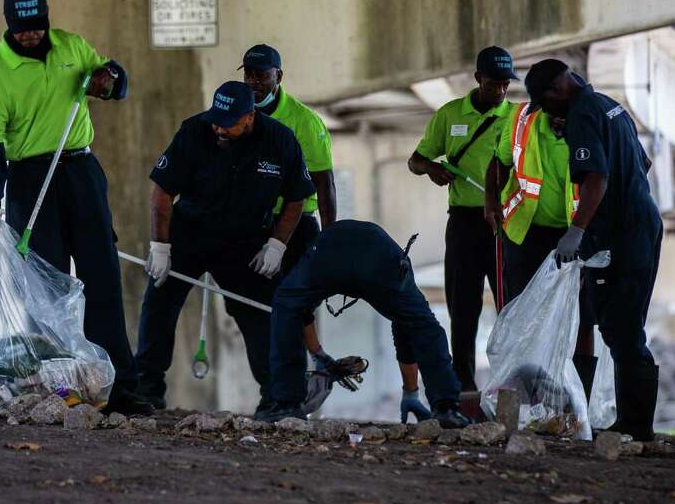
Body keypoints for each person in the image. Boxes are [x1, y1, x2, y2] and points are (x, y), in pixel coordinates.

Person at [0, 0, 152, 416]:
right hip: (32, 180)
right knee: (46, 290)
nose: (30, 35)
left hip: (81, 172)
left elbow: (113, 80)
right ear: (8, 26)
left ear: (46, 20)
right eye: (21, 29)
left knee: (102, 277)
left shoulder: (71, 46)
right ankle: (57, 390)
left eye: (36, 26)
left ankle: (120, 389)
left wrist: (109, 82)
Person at [242, 43, 427, 421]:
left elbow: (323, 185)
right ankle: (288, 386)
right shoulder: (240, 115)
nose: (254, 81)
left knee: (292, 306)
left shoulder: (304, 121)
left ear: (280, 76)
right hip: (256, 224)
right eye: (248, 74)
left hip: (296, 226)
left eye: (262, 75)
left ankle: (289, 398)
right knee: (264, 313)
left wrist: (329, 243)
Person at [137, 81, 314, 413]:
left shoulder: (280, 140)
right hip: (189, 232)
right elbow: (162, 193)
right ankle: (146, 389)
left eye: (228, 122)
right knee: (159, 302)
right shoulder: (194, 131)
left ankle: (277, 397)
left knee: (260, 312)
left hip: (245, 241)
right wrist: (160, 247)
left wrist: (276, 245)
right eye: (216, 119)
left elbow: (296, 198)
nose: (219, 127)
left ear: (249, 116)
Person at [525, 58, 663, 441]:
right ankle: (632, 423)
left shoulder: (583, 114)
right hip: (638, 222)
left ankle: (637, 426)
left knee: (622, 327)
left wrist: (577, 230)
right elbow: (643, 162)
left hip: (625, 232)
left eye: (544, 103)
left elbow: (596, 178)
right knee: (620, 323)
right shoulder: (608, 104)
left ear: (555, 92)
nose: (547, 112)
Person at [260, 219, 472, 427]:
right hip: (377, 256)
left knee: (286, 305)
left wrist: (319, 355)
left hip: (329, 253)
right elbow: (408, 332)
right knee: (422, 324)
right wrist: (410, 393)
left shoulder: (313, 258)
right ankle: (446, 407)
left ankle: (287, 405)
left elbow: (298, 311)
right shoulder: (394, 261)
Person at [408, 46, 517, 392]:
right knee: (463, 309)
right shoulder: (450, 115)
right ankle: (464, 386)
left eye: (505, 84)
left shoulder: (519, 118)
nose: (500, 91)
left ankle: (513, 381)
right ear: (477, 79)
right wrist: (432, 169)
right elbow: (416, 160)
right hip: (465, 224)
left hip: (505, 224)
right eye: (493, 83)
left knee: (511, 307)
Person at [483, 77, 597, 399]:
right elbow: (499, 162)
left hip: (575, 233)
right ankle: (520, 398)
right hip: (524, 231)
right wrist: (491, 198)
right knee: (518, 314)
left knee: (580, 316)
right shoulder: (520, 120)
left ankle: (578, 402)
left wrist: (582, 231)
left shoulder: (590, 124)